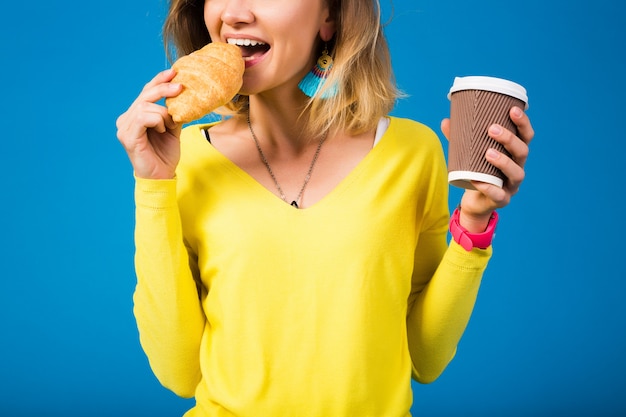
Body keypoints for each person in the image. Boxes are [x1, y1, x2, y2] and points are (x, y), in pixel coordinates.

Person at [116, 0, 534, 415]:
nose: (234, 13)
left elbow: (425, 358)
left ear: (330, 16)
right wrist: (153, 185)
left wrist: (474, 220)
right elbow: (179, 372)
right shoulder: (182, 161)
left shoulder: (412, 153)